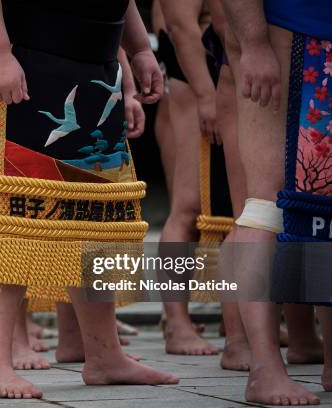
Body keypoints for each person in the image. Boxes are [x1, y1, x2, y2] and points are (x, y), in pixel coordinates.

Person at [0, 0, 179, 399]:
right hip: (25, 59)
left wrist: (140, 49)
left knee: (96, 219)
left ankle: (104, 356)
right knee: (16, 216)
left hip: (98, 66)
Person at [221, 0, 329, 404]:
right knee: (266, 204)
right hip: (287, 29)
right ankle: (263, 366)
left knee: (322, 205)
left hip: (311, 31)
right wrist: (253, 41)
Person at [157, 0, 219, 356]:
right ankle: (177, 322)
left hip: (226, 65)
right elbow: (179, 26)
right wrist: (205, 94)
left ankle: (240, 322)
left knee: (242, 209)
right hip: (193, 68)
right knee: (189, 205)